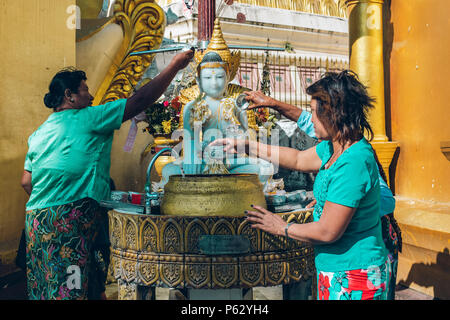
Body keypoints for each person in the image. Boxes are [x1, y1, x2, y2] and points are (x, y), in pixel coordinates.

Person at [20, 49, 194, 300]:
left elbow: (26, 181)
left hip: (36, 221)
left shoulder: (38, 133)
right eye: (84, 90)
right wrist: (175, 65)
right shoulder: (89, 117)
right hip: (69, 219)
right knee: (70, 289)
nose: (91, 96)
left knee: (46, 288)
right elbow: (139, 101)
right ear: (69, 96)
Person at [211, 70, 390, 300]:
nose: (310, 119)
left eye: (315, 113)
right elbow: (297, 159)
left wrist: (281, 227)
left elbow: (327, 231)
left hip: (355, 275)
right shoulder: (334, 146)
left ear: (335, 114)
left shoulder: (353, 161)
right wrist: (247, 146)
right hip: (336, 270)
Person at [160, 51, 274, 187]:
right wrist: (197, 156)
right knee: (167, 170)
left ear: (227, 79)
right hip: (203, 161)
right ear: (199, 81)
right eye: (207, 78)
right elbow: (190, 140)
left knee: (266, 168)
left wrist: (234, 145)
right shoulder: (192, 107)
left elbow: (246, 135)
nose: (214, 83)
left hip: (230, 162)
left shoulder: (234, 105)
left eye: (219, 77)